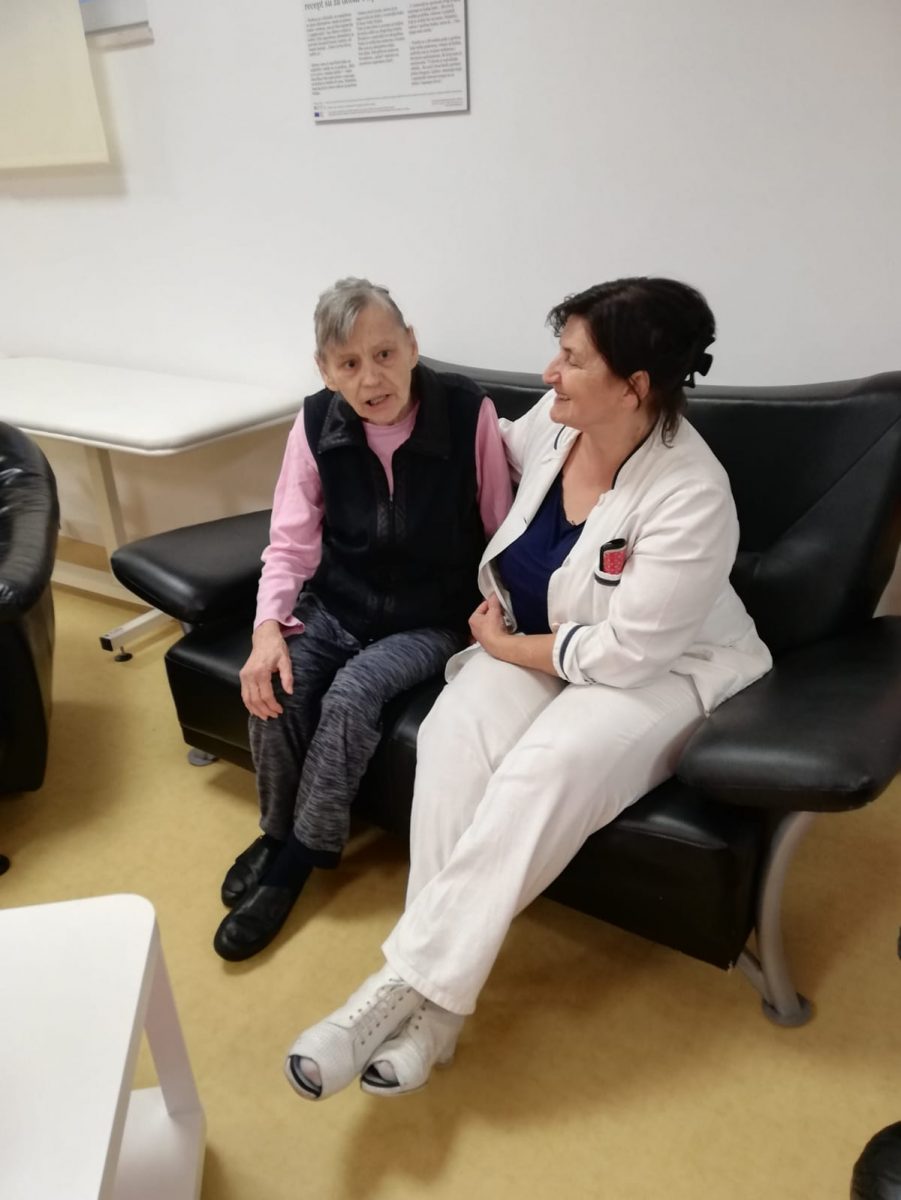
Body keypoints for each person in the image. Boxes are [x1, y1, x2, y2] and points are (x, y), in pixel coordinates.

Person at [283, 276, 773, 1099]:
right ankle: (435, 1011)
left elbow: (628, 652)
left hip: (659, 670)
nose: (548, 373)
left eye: (571, 359)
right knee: (449, 736)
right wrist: (382, 413)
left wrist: (509, 646)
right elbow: (478, 444)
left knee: (542, 768)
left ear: (634, 386)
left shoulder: (691, 492)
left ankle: (402, 994)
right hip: (536, 642)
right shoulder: (554, 423)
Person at [213, 278, 512, 961]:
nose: (371, 378)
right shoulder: (315, 422)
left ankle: (297, 861)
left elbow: (502, 526)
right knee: (276, 686)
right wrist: (266, 629)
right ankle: (274, 831)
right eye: (348, 363)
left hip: (430, 618)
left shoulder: (468, 412)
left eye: (384, 353)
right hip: (338, 604)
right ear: (325, 370)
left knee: (351, 696)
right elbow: (290, 542)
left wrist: (498, 616)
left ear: (411, 346)